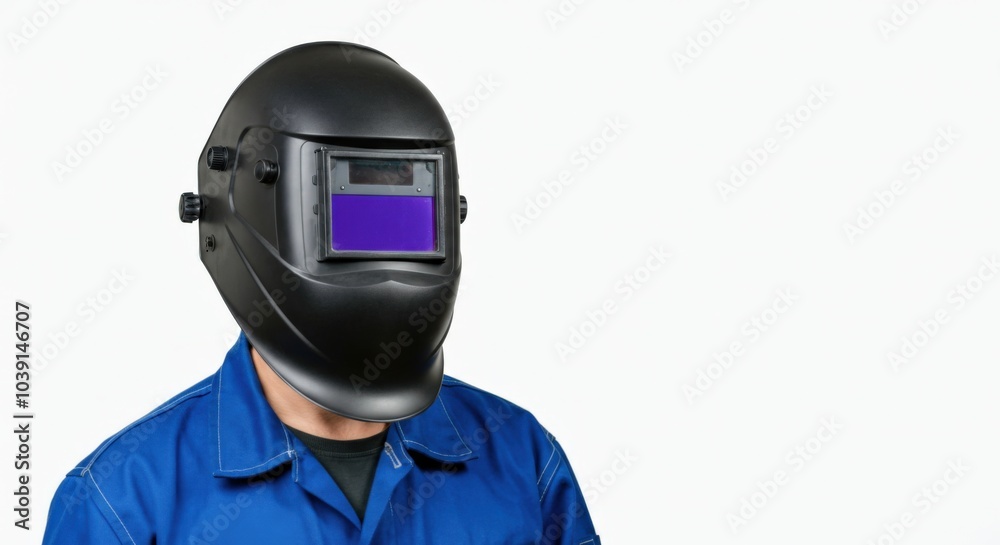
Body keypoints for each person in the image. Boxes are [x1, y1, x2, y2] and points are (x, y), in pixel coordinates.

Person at [42, 42, 600, 544]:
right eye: (355, 211)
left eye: (404, 211)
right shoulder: (124, 504)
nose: (384, 269)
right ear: (247, 210)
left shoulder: (524, 461)